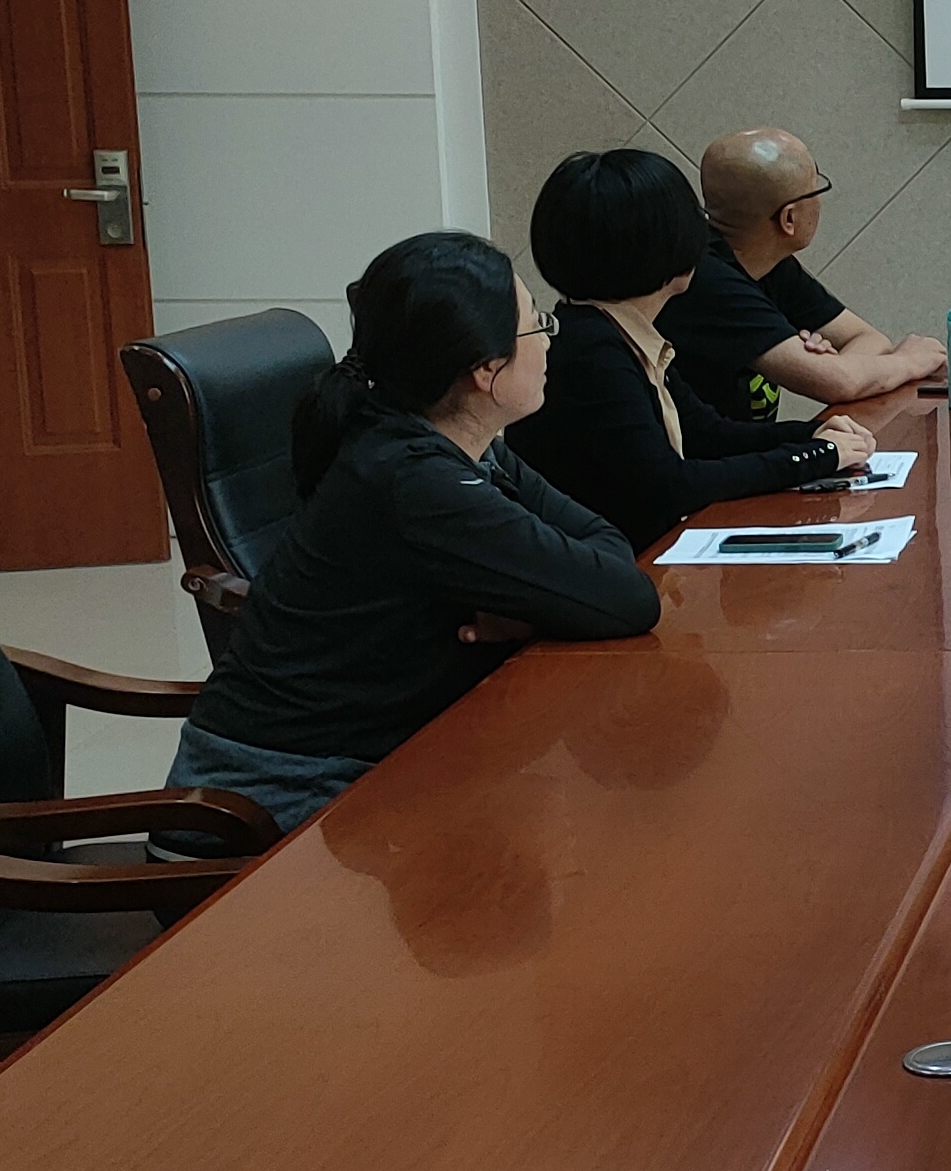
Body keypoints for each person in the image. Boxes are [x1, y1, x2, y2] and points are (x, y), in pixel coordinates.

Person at [165, 231, 660, 835]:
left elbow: (609, 547)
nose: (548, 341)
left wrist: (536, 608)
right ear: (486, 368)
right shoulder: (415, 482)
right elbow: (629, 598)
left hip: (363, 766)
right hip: (266, 807)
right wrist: (547, 605)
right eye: (538, 326)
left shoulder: (457, 441)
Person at [508, 149, 875, 549]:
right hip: (616, 564)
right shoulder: (592, 353)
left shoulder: (615, 333)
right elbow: (673, 485)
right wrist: (819, 456)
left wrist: (812, 434)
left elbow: (708, 434)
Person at [659, 127, 944, 421]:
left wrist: (838, 367)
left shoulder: (768, 262)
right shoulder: (708, 280)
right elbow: (839, 384)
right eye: (816, 191)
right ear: (789, 218)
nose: (820, 203)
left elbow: (868, 339)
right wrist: (909, 361)